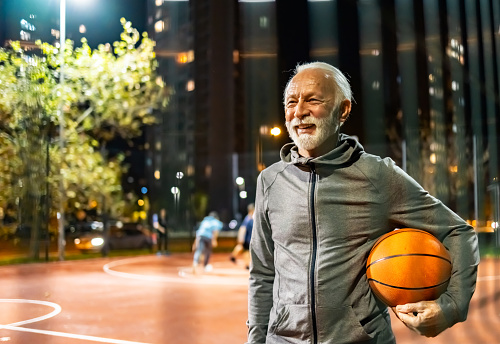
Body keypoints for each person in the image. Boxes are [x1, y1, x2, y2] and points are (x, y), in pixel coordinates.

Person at [247, 62, 479, 343]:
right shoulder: (270, 181)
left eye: (313, 100)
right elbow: (262, 272)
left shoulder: (378, 176)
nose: (298, 112)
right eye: (291, 102)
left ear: (343, 110)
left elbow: (458, 232)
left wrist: (452, 307)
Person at [230, 203, 255, 269]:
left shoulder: (250, 218)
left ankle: (233, 256)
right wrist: (241, 238)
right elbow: (242, 229)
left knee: (244, 249)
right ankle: (247, 264)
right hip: (246, 238)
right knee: (247, 251)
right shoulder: (248, 219)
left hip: (247, 238)